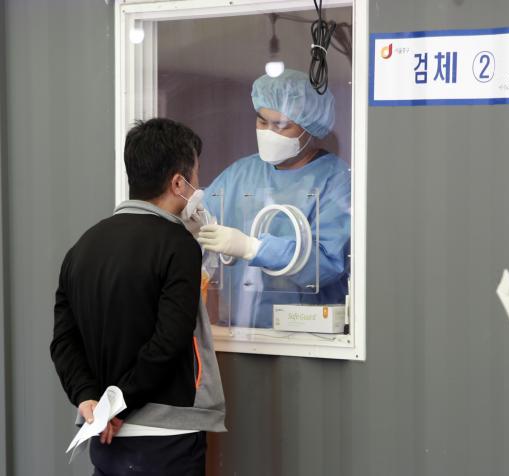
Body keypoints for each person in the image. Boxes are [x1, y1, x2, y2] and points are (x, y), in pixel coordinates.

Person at [50, 118, 226, 476]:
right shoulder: (178, 246)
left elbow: (64, 342)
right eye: (195, 177)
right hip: (166, 437)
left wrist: (89, 399)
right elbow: (170, 340)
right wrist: (120, 402)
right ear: (178, 183)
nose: (198, 188)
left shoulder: (82, 248)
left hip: (104, 436)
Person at [197, 69, 350, 328]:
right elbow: (199, 219)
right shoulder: (242, 173)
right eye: (262, 122)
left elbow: (326, 264)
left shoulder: (334, 180)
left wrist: (253, 248)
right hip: (239, 331)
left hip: (307, 333)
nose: (268, 132)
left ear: (309, 127)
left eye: (281, 125)